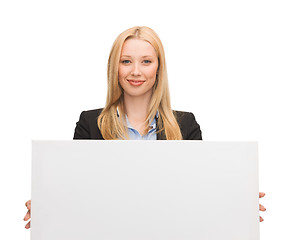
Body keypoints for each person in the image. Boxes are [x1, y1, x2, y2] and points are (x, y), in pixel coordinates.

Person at [23, 26, 266, 229]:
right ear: (114, 68)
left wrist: (233, 202)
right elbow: (78, 192)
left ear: (158, 68)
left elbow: (196, 193)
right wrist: (50, 204)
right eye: (126, 61)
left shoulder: (185, 125)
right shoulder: (90, 124)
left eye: (146, 61)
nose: (136, 71)